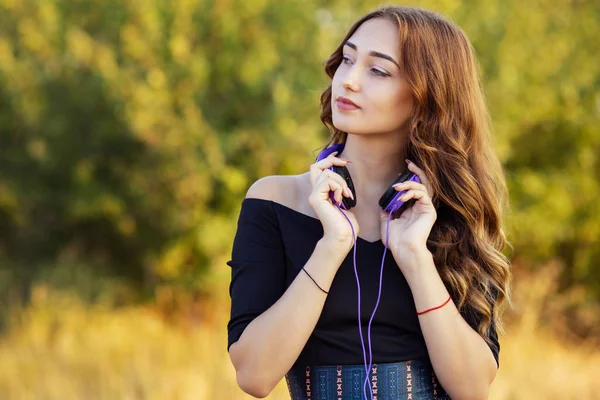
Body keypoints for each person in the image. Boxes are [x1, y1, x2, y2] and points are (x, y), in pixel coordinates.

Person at [226, 5, 512, 400]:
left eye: (378, 70)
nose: (349, 80)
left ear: (426, 95)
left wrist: (415, 257)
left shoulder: (454, 213)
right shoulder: (273, 201)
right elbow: (254, 375)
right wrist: (332, 246)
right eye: (347, 59)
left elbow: (472, 389)